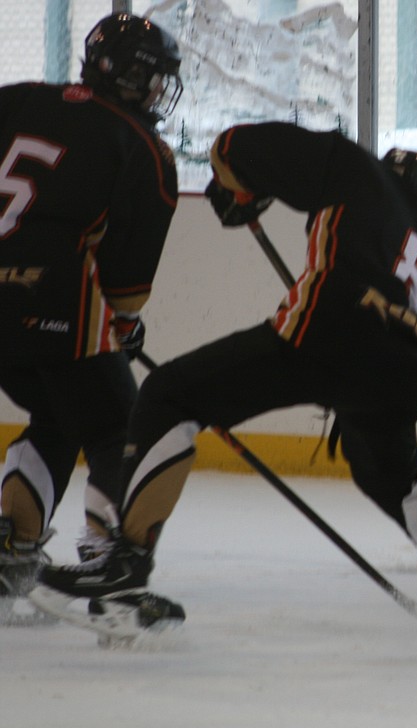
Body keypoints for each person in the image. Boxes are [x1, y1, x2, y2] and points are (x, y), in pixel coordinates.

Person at [33, 122, 417, 641]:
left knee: (170, 395)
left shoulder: (358, 170)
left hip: (330, 327)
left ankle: (123, 571)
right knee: (394, 473)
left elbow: (231, 147)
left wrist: (238, 188)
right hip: (400, 373)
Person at [0, 13, 183, 607]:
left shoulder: (17, 98)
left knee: (61, 415)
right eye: (147, 77)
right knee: (122, 429)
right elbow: (126, 286)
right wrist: (123, 329)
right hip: (53, 298)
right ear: (118, 73)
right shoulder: (143, 147)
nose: (157, 91)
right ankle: (115, 572)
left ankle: (9, 550)